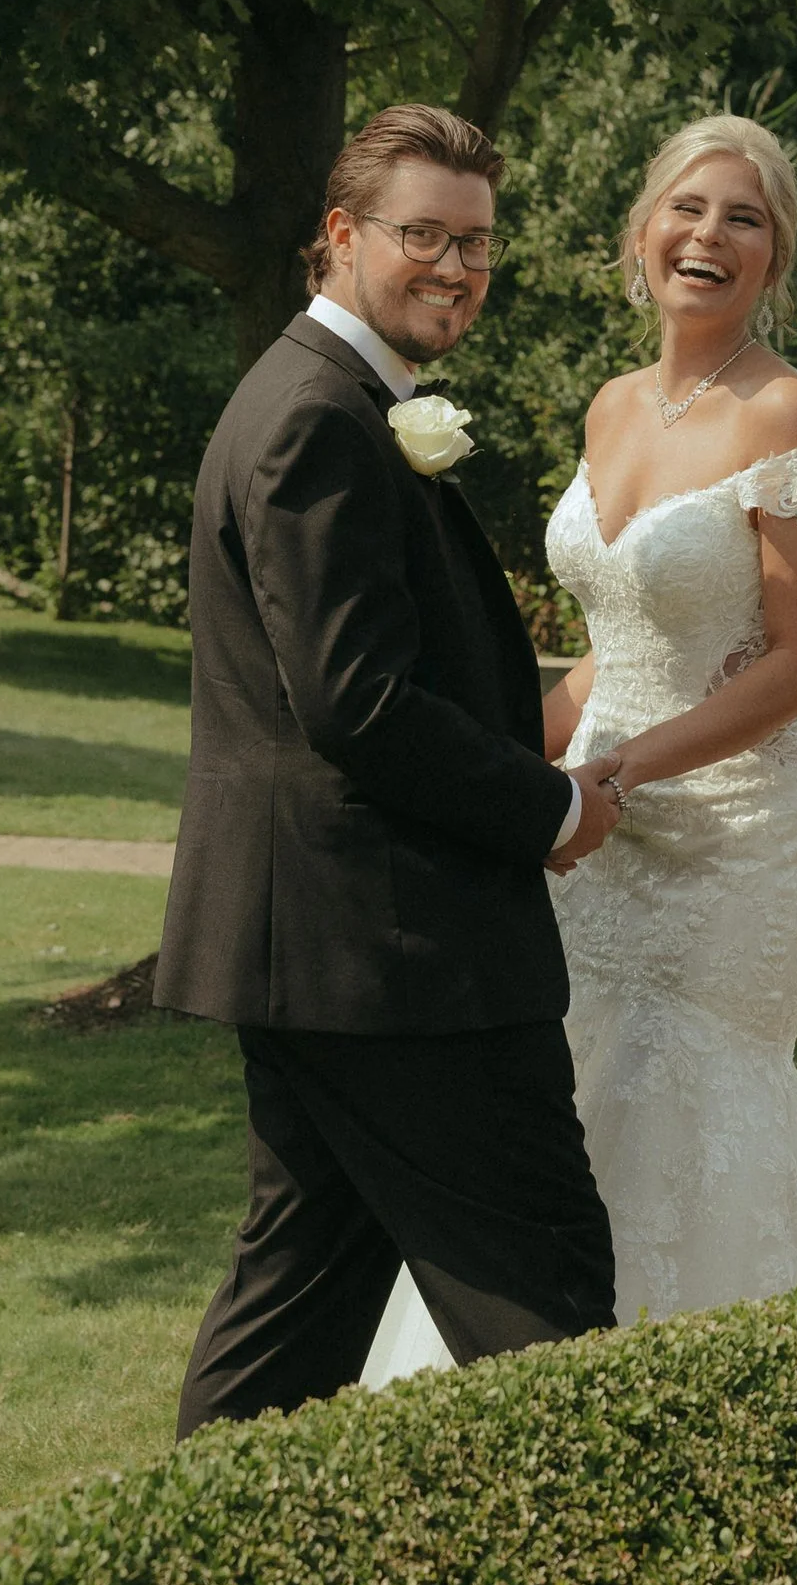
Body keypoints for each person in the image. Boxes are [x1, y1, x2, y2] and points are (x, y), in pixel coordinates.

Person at [157, 104, 621, 1433]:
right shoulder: (318, 418)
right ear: (343, 235)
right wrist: (552, 803)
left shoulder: (337, 401)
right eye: (425, 234)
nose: (458, 266)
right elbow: (358, 704)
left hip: (323, 945)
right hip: (394, 955)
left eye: (476, 241)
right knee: (547, 1299)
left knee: (298, 1301)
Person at [407, 112, 797, 1326]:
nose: (709, 236)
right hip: (594, 822)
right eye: (688, 208)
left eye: (745, 219)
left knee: (690, 1097)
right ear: (640, 233)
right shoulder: (611, 407)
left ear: (775, 257)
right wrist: (501, 757)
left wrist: (619, 774)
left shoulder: (787, 415)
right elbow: (614, 649)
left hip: (732, 839)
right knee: (567, 1083)